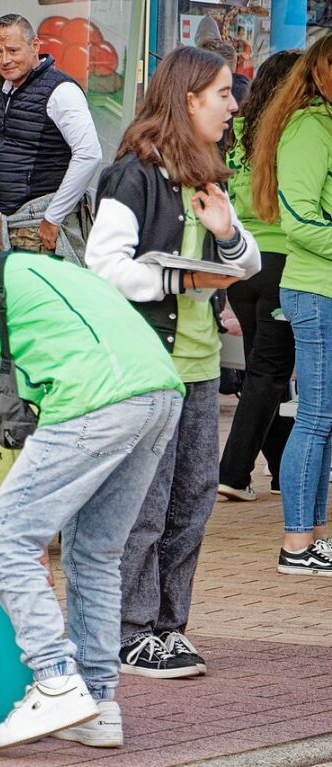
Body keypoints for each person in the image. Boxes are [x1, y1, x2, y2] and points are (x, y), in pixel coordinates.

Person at [0, 198, 185, 750]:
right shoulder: (46, 267)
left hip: (96, 401)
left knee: (6, 536)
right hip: (160, 391)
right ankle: (99, 704)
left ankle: (56, 681)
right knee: (96, 550)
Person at [85, 46, 260, 678]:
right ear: (188, 98)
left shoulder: (204, 173)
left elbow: (246, 263)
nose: (232, 105)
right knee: (147, 507)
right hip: (148, 367)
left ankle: (168, 625)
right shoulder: (134, 173)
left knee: (193, 501)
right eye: (221, 94)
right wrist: (179, 283)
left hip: (200, 366)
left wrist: (226, 235)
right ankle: (132, 631)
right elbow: (103, 265)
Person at [252, 34, 332, 575]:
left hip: (320, 286)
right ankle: (297, 543)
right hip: (313, 288)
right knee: (317, 416)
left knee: (324, 418)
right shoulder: (307, 127)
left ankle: (313, 537)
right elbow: (300, 219)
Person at [216, 51, 301, 502]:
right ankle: (233, 471)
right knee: (269, 376)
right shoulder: (293, 133)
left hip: (245, 266)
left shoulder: (240, 132)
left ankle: (283, 467)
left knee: (263, 374)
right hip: (285, 261)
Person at [0, 14, 101, 257]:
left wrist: (52, 218)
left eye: (13, 50)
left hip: (37, 229)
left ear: (35, 46)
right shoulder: (8, 89)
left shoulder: (61, 91)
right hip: (10, 226)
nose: (5, 60)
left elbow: (89, 155)